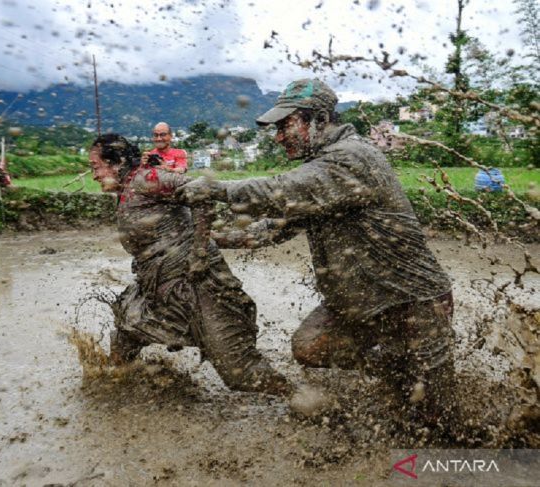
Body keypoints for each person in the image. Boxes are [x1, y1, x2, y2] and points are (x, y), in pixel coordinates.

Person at [178, 79, 457, 427]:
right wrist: (215, 239)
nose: (279, 137)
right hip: (361, 303)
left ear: (320, 119)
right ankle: (392, 373)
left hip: (412, 302)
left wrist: (218, 189)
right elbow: (274, 227)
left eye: (285, 125)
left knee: (437, 416)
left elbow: (285, 189)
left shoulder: (351, 158)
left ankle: (409, 384)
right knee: (312, 345)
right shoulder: (325, 170)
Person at [89, 133, 289, 395]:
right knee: (127, 329)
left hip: (196, 281)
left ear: (116, 163)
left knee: (241, 372)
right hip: (157, 283)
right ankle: (118, 389)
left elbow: (202, 193)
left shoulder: (149, 179)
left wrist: (200, 252)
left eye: (95, 167)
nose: (93, 175)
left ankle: (306, 398)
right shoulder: (128, 188)